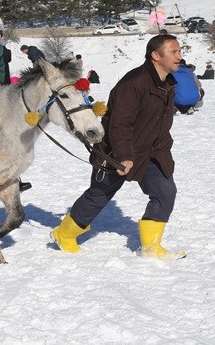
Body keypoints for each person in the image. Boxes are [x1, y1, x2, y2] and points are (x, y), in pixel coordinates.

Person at [51, 34, 186, 260]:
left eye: (179, 51)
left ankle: (151, 248)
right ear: (156, 55)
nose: (179, 57)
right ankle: (64, 234)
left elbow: (160, 122)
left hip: (152, 152)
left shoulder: (167, 83)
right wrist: (125, 156)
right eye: (174, 52)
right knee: (98, 195)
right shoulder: (134, 83)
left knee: (165, 191)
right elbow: (119, 124)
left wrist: (164, 149)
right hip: (117, 151)